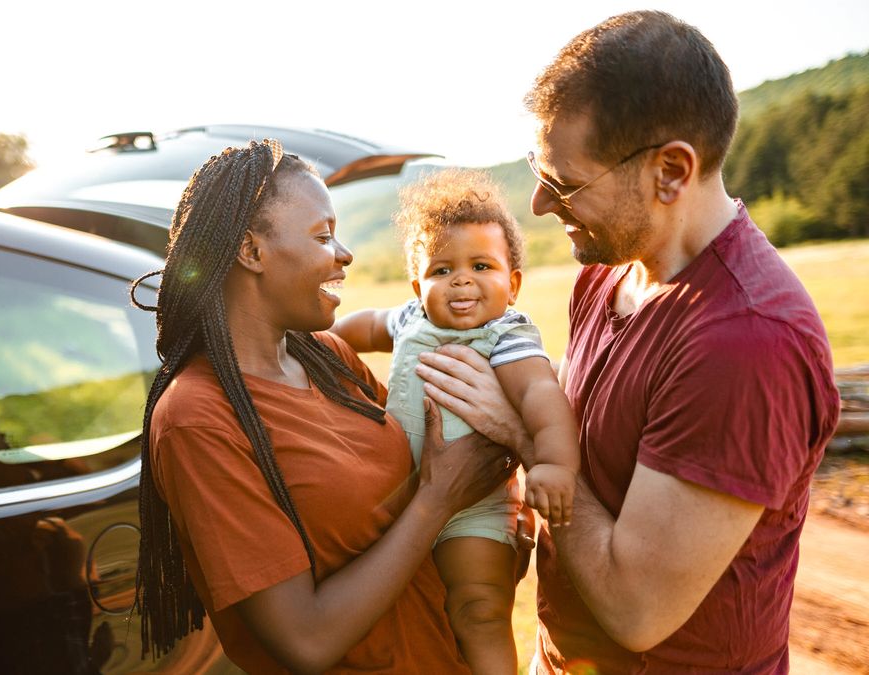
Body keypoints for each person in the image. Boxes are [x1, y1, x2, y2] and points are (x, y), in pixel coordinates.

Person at [415, 10, 842, 673]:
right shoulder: (610, 271)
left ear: (670, 171)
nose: (539, 204)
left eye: (566, 182)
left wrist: (521, 434)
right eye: (538, 169)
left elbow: (636, 609)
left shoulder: (746, 342)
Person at [130, 139, 518, 674]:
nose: (344, 254)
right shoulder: (197, 419)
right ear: (251, 252)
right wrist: (438, 500)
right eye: (322, 236)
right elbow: (305, 641)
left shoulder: (328, 358)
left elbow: (431, 467)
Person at [332, 168, 578, 672]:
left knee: (478, 610)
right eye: (441, 270)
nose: (461, 280)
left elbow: (541, 394)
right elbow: (365, 325)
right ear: (417, 285)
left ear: (512, 284)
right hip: (399, 495)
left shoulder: (505, 336)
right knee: (415, 608)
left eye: (481, 265)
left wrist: (553, 464)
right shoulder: (410, 319)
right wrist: (317, 338)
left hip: (475, 506)